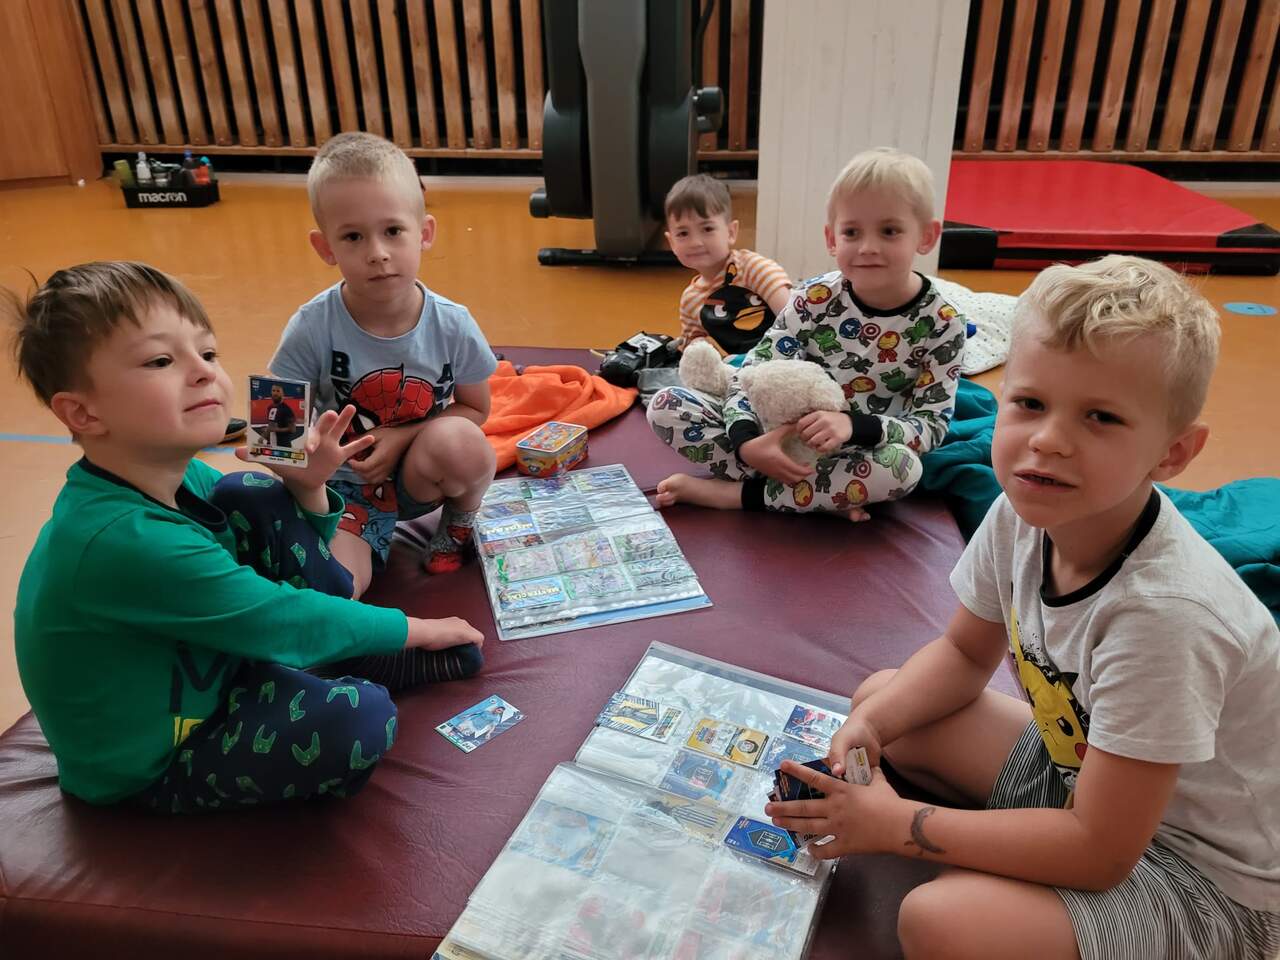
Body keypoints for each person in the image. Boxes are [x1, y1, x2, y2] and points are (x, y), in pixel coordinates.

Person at [766, 256, 1280, 959]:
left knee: (942, 922)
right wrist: (873, 726)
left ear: (1173, 453)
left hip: (1204, 877)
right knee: (883, 700)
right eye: (1030, 404)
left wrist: (899, 826)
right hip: (1088, 778)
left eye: (1100, 417)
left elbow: (1101, 851)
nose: (1047, 440)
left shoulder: (1166, 617)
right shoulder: (1021, 513)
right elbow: (962, 654)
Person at [9, 261, 485, 814]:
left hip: (223, 667)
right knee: (360, 718)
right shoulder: (122, 541)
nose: (203, 372)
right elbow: (276, 616)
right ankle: (338, 660)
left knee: (254, 492)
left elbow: (286, 581)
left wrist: (308, 487)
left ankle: (339, 655)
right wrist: (413, 629)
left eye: (207, 353)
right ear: (82, 412)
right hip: (158, 761)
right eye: (161, 361)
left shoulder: (183, 476)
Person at [648, 147, 964, 520]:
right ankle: (819, 495)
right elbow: (752, 373)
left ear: (926, 236)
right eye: (851, 232)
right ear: (832, 239)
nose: (868, 248)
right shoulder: (814, 298)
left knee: (902, 469)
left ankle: (740, 495)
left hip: (856, 451)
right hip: (773, 431)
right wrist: (746, 441)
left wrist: (853, 426)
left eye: (889, 231)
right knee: (666, 404)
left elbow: (930, 426)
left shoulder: (943, 324)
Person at [271, 132, 498, 596]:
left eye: (393, 230)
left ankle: (460, 520)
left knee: (463, 442)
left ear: (424, 233)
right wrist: (307, 463)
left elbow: (477, 409)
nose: (377, 252)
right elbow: (272, 435)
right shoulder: (310, 326)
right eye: (353, 236)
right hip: (343, 490)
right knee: (339, 591)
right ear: (325, 247)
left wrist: (401, 437)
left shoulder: (453, 323)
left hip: (419, 480)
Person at [665, 173, 791, 356]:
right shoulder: (690, 300)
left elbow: (793, 319)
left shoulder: (754, 268)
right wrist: (697, 344)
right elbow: (693, 350)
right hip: (735, 369)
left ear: (731, 232)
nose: (695, 242)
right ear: (671, 243)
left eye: (707, 229)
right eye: (683, 233)